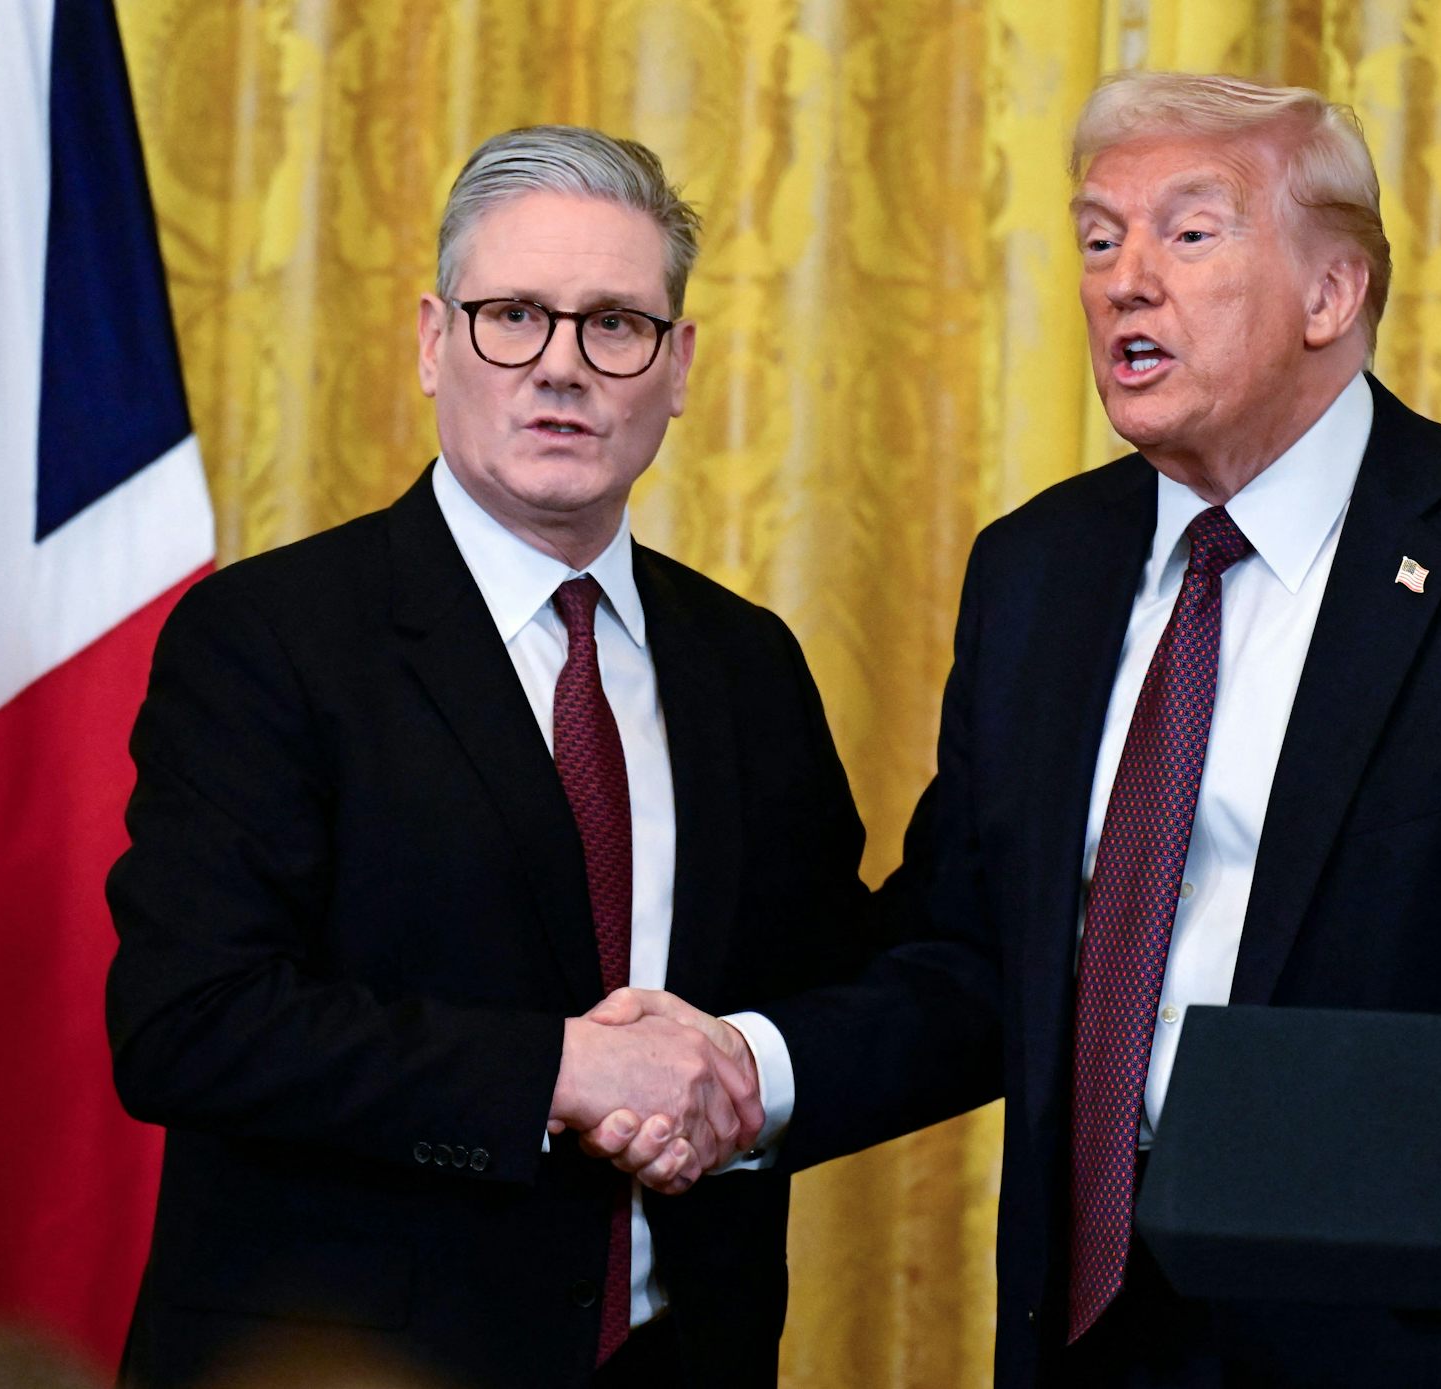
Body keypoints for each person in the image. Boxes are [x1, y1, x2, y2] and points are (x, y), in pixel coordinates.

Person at [588, 72, 1441, 1386]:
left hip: (1411, 1340)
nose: (1124, 281)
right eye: (1099, 238)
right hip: (1092, 1327)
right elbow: (973, 954)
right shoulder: (1039, 570)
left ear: (1334, 293)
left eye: (1189, 235)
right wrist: (749, 1067)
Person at [105, 126, 872, 1388]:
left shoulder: (748, 662)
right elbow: (192, 1024)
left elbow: (826, 990)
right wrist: (569, 1071)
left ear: (677, 367)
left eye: (614, 325)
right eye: (513, 315)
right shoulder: (269, 636)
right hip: (345, 1361)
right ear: (431, 341)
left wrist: (736, 1075)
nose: (560, 368)